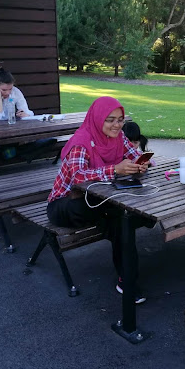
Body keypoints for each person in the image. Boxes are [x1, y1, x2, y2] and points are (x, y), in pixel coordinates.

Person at [46, 97, 150, 303]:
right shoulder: (81, 141)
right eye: (110, 120)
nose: (117, 125)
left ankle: (127, 280)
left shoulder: (119, 137)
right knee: (120, 216)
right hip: (66, 204)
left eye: (120, 120)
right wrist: (114, 169)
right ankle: (137, 223)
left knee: (121, 220)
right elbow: (76, 177)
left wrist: (142, 164)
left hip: (99, 201)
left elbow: (135, 155)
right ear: (97, 118)